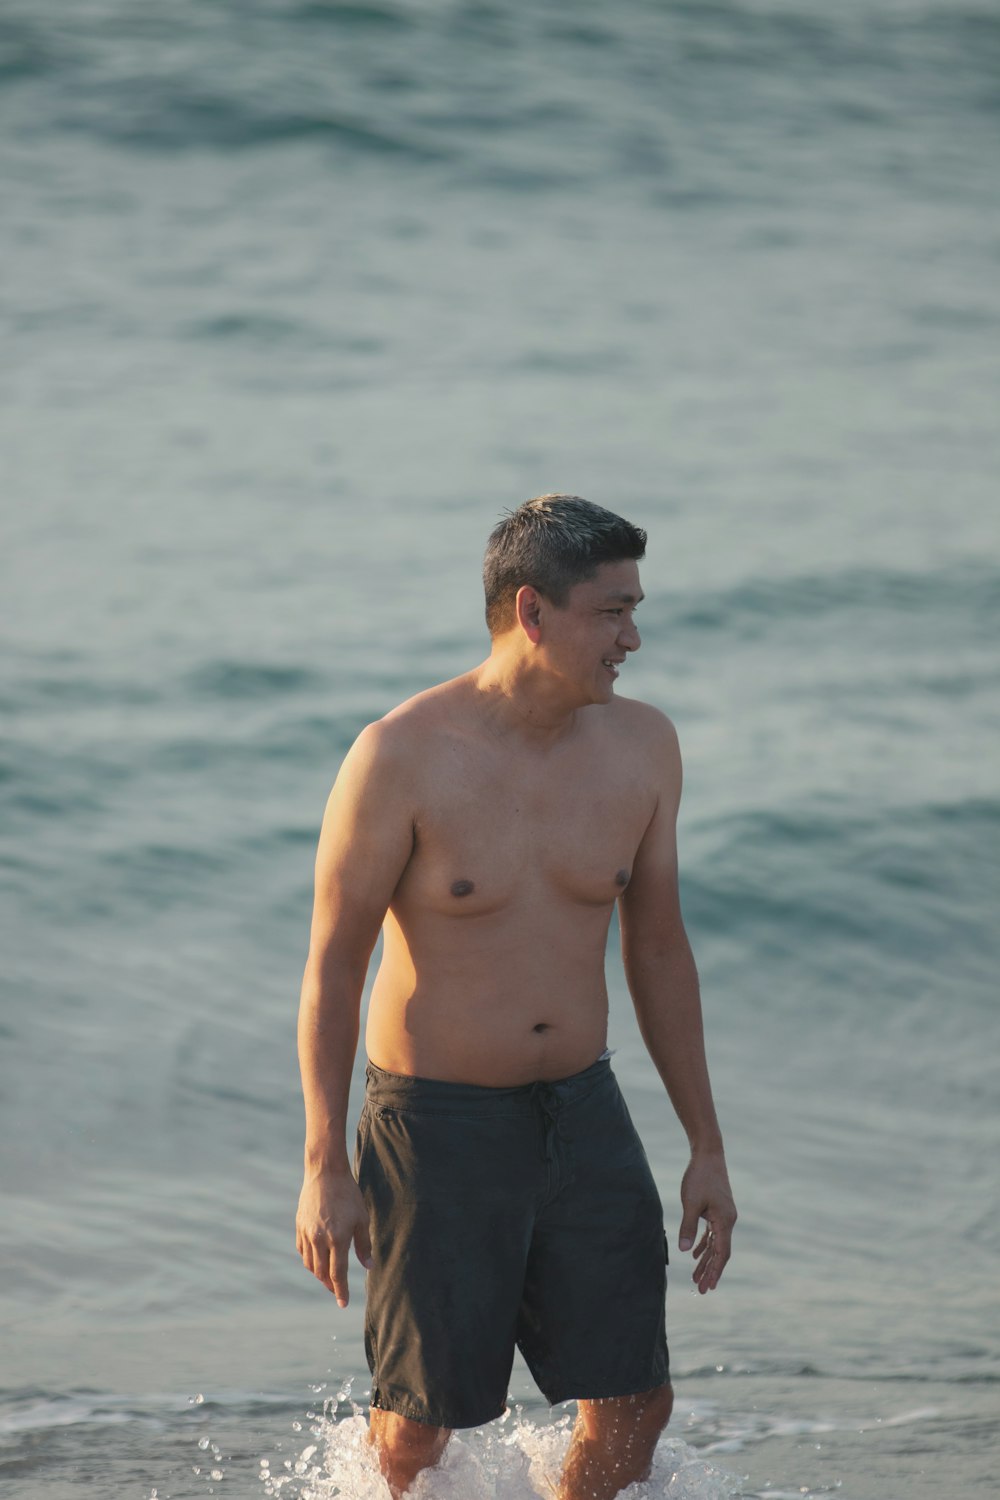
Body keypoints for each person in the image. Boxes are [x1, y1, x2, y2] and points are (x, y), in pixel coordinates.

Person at [295, 494, 736, 1499]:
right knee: (418, 1428)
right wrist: (325, 1162)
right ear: (532, 613)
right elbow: (332, 968)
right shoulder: (399, 756)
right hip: (436, 1125)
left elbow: (660, 952)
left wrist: (704, 1144)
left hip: (581, 1109)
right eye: (611, 612)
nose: (633, 636)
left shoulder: (643, 748)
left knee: (633, 1404)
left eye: (634, 608)